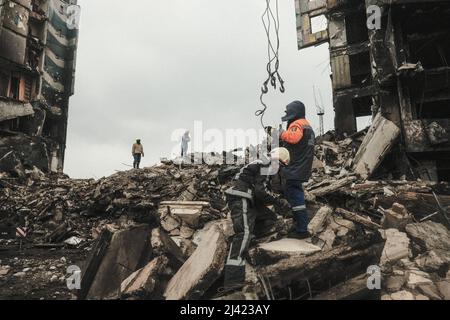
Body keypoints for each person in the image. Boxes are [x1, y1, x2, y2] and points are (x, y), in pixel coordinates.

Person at [223, 147, 291, 289]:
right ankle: (233, 281)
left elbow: (259, 189)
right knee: (243, 233)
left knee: (271, 218)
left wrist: (274, 201)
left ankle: (252, 246)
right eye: (281, 166)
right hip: (241, 196)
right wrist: (278, 201)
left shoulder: (263, 162)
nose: (279, 170)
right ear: (279, 161)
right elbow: (261, 191)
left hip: (249, 198)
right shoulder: (269, 163)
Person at [280, 101, 315, 239]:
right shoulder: (307, 125)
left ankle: (301, 229)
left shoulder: (297, 124)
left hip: (295, 167)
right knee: (294, 194)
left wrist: (280, 133)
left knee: (295, 197)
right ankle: (298, 225)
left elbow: (293, 138)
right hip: (302, 166)